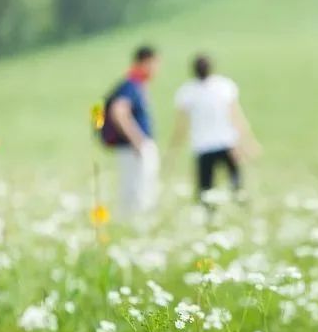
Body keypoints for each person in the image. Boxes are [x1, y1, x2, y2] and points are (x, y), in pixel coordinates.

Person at [169, 54, 260, 203]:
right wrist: (247, 141)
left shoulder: (187, 92)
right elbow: (236, 117)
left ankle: (209, 217)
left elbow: (181, 126)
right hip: (227, 142)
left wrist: (173, 150)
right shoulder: (224, 86)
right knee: (236, 185)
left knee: (206, 189)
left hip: (203, 146)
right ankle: (240, 211)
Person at [105, 45, 161, 215]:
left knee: (136, 187)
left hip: (133, 146)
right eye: (155, 64)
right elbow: (118, 111)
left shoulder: (135, 84)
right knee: (139, 189)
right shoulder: (132, 85)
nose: (157, 69)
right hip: (134, 147)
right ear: (146, 62)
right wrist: (137, 140)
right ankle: (137, 225)